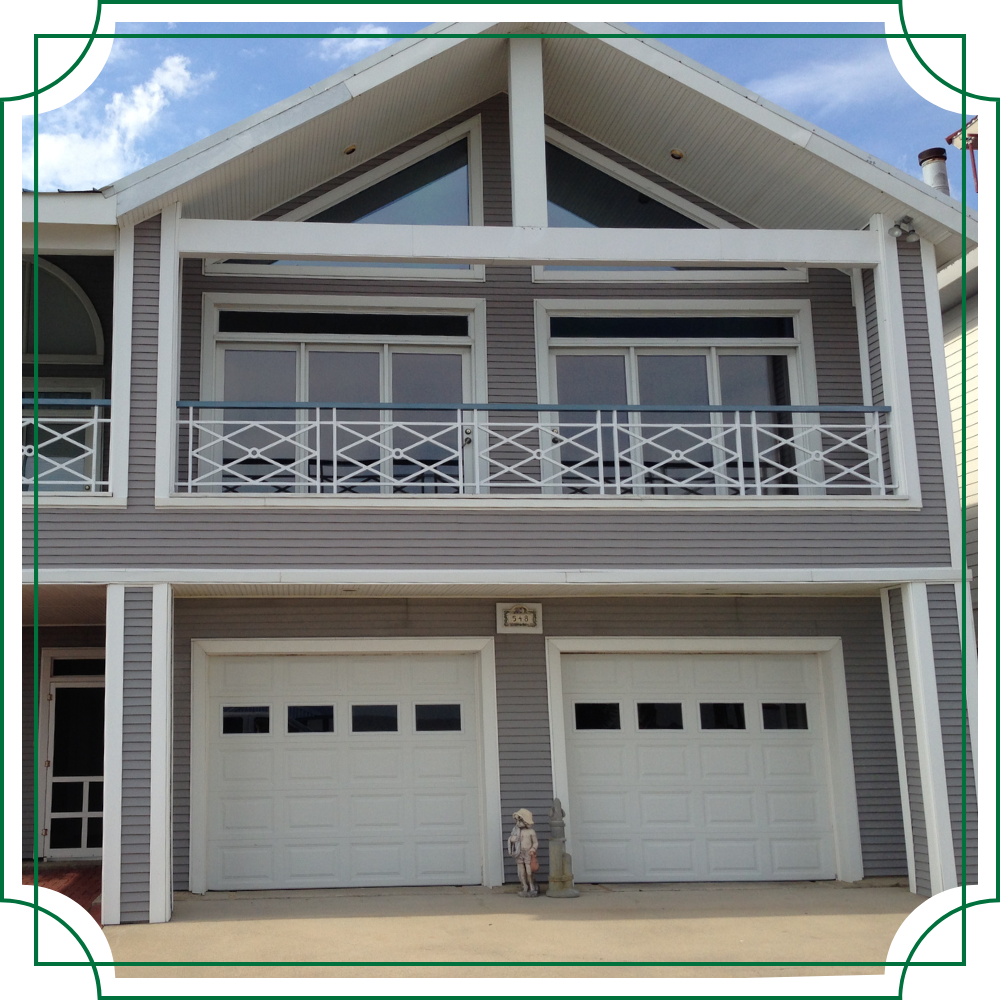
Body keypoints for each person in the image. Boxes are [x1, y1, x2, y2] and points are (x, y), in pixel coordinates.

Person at [507, 807, 539, 897]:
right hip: (519, 853)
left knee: (529, 871)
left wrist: (533, 849)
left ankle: (532, 886)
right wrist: (511, 840)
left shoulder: (531, 832)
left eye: (520, 820)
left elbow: (535, 843)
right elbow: (512, 839)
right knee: (522, 872)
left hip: (528, 853)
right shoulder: (517, 831)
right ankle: (525, 886)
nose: (518, 823)